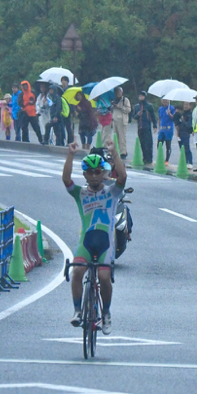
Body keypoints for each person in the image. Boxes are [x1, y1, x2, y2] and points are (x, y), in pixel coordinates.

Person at [62, 139, 127, 335]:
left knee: (104, 276)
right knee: (77, 272)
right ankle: (77, 311)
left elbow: (123, 177)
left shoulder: (112, 192)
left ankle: (106, 313)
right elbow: (66, 180)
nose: (93, 176)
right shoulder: (80, 194)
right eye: (90, 172)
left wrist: (114, 152)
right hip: (87, 243)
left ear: (104, 173)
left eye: (98, 171)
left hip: (105, 243)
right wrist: (71, 155)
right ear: (84, 174)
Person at [134, 91, 157, 166]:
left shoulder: (149, 106)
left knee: (148, 143)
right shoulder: (137, 106)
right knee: (142, 143)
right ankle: (144, 158)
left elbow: (153, 116)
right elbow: (134, 117)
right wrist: (138, 115)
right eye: (140, 96)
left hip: (147, 127)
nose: (141, 97)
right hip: (140, 127)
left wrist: (155, 125)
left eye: (142, 96)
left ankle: (149, 159)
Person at [111, 87, 131, 159]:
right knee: (115, 136)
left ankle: (123, 152)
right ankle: (116, 151)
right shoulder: (113, 100)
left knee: (122, 137)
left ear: (122, 92)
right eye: (116, 92)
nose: (118, 93)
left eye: (119, 92)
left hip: (122, 120)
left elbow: (128, 109)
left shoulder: (125, 100)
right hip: (115, 119)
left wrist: (120, 107)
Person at [173, 101, 194, 165]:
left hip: (186, 133)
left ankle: (190, 162)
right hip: (180, 132)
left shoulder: (190, 114)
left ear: (190, 106)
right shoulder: (182, 114)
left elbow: (189, 125)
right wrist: (176, 115)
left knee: (186, 148)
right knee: (181, 148)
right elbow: (176, 121)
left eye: (187, 105)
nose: (185, 106)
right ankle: (184, 162)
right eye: (184, 104)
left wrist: (183, 120)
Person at [157, 98, 175, 165]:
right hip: (162, 129)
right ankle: (160, 158)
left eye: (166, 101)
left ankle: (166, 160)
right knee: (159, 144)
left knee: (168, 145)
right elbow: (159, 118)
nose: (165, 102)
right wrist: (159, 128)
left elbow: (174, 118)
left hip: (168, 129)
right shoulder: (160, 109)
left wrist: (170, 114)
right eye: (163, 100)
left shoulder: (171, 108)